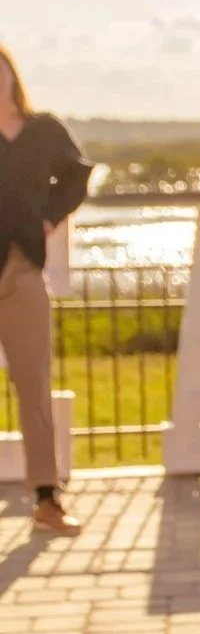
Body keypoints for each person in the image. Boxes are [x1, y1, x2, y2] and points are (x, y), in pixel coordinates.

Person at [0, 44, 92, 536]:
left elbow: (78, 175)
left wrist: (50, 216)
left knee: (33, 384)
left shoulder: (43, 130)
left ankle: (45, 498)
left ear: (13, 77)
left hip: (21, 271)